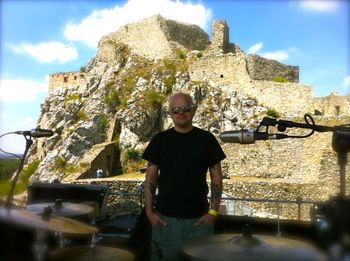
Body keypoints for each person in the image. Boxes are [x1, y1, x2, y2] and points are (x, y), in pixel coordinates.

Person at [142, 92, 226, 260]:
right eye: (176, 110)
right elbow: (150, 178)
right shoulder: (160, 140)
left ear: (193, 111)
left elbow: (217, 178)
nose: (181, 113)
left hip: (200, 221)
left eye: (186, 109)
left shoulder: (207, 139)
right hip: (164, 221)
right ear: (170, 113)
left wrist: (213, 213)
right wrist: (149, 212)